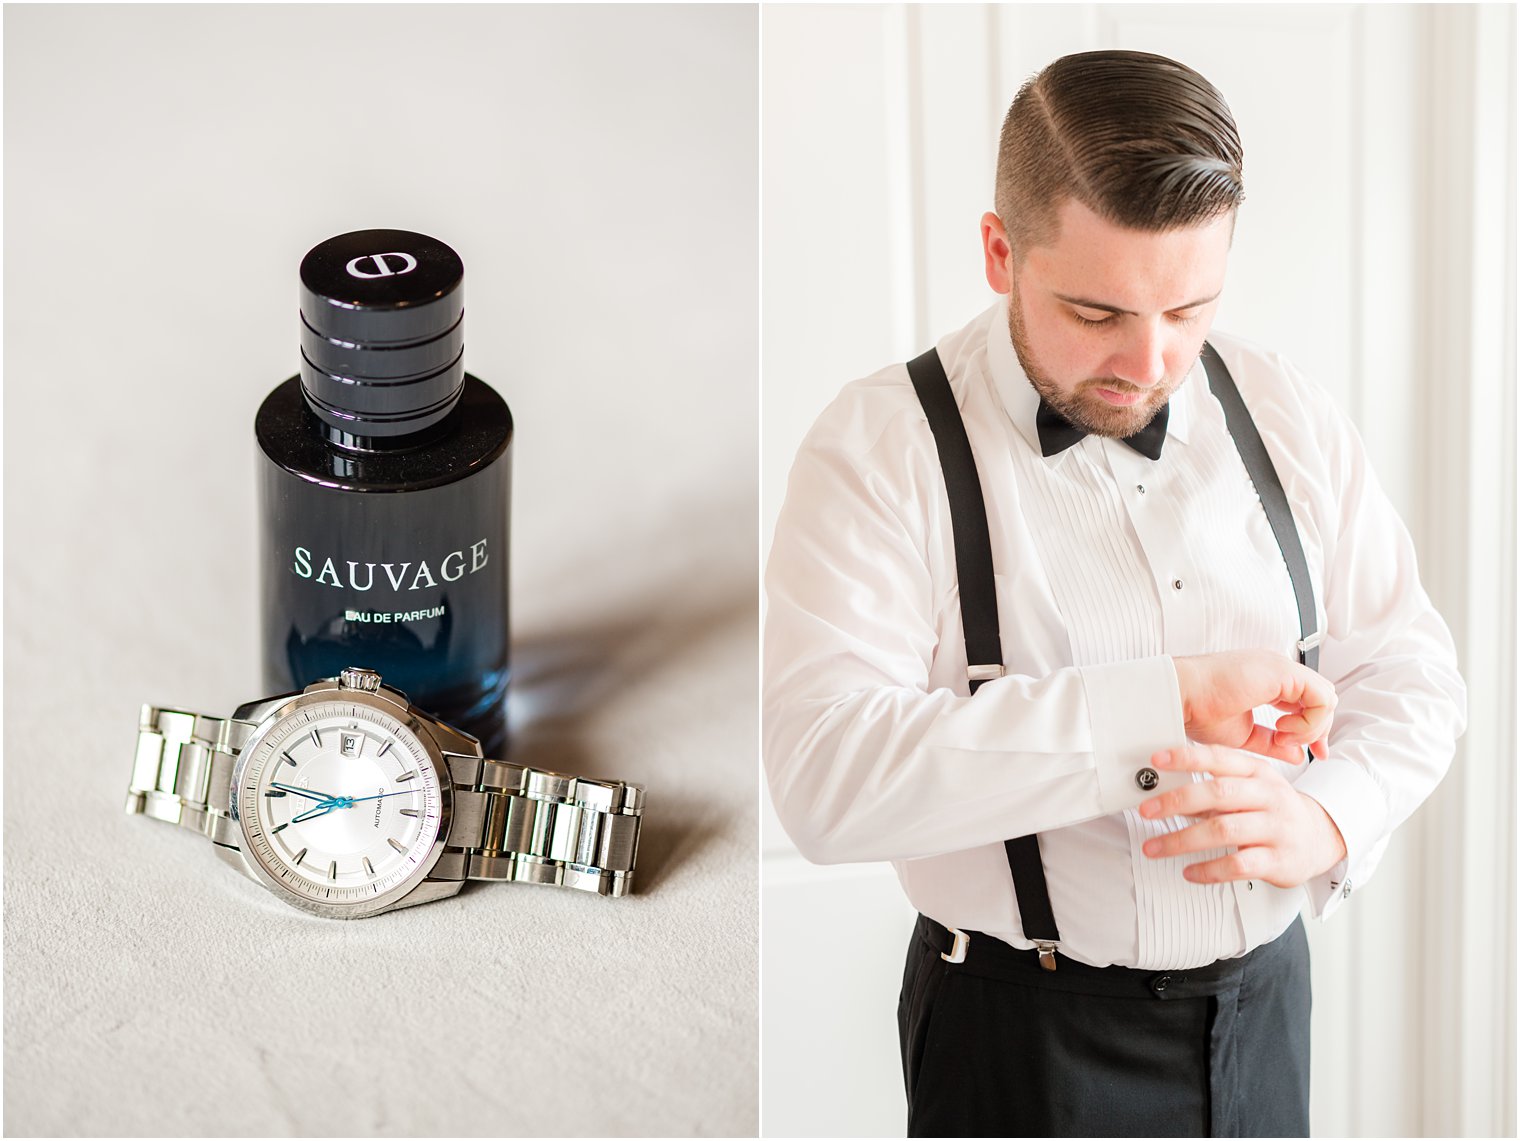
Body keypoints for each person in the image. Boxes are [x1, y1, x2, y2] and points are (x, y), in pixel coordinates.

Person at [762, 49, 1466, 1138]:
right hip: (1017, 1037)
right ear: (999, 251)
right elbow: (825, 778)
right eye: (1095, 313)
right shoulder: (877, 449)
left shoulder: (1282, 407)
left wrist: (1330, 814)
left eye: (1188, 308)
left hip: (1265, 1009)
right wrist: (1163, 705)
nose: (1148, 363)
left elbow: (1412, 672)